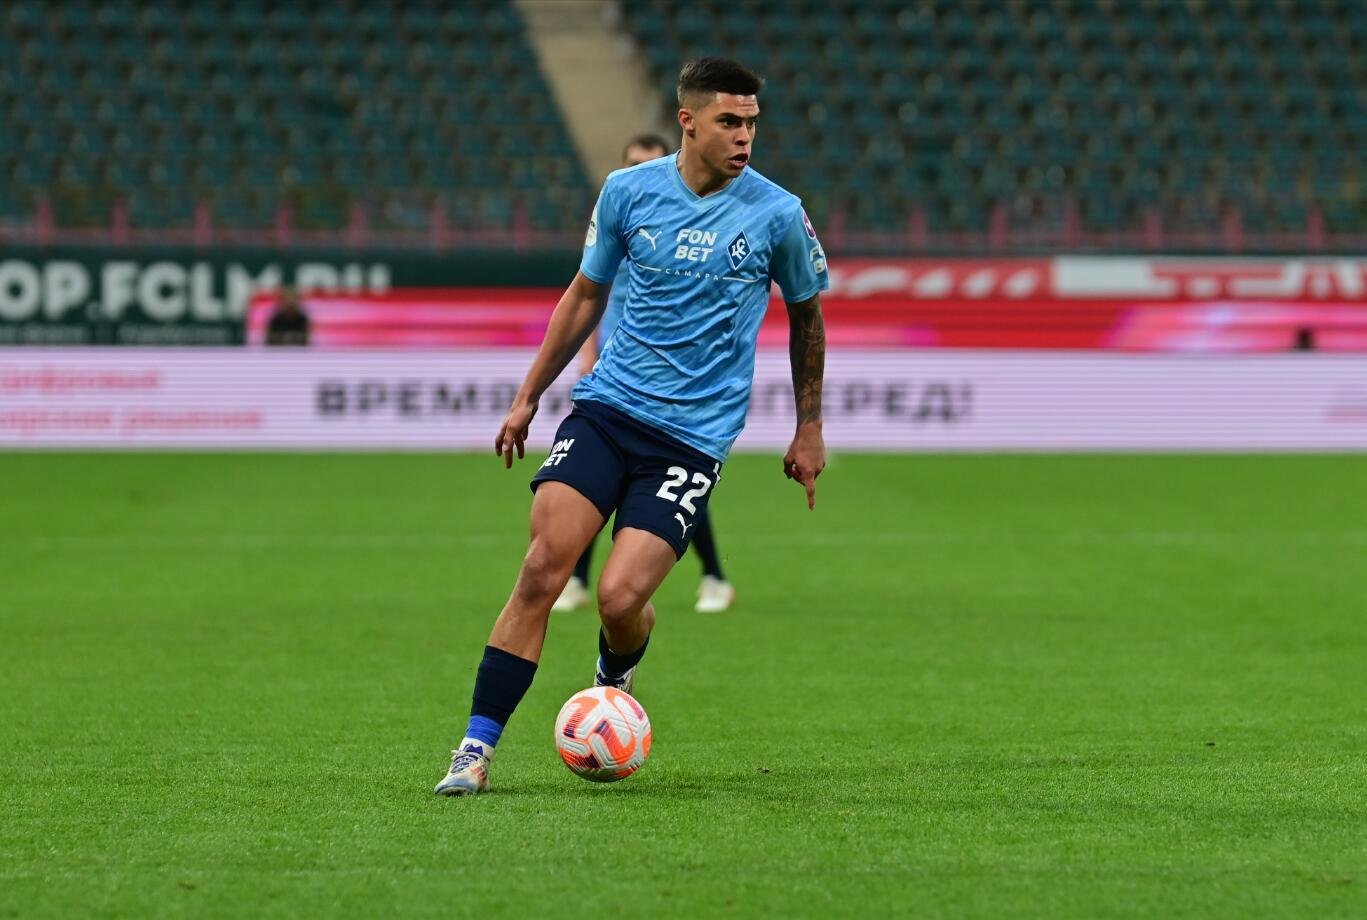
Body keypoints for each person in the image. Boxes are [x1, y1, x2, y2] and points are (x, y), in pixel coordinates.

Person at [436, 57, 828, 796]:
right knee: (540, 571)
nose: (744, 137)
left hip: (691, 438)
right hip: (608, 410)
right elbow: (585, 294)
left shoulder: (777, 212)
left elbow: (807, 317)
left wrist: (809, 426)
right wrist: (528, 396)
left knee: (620, 600)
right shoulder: (627, 192)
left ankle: (612, 678)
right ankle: (474, 750)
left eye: (750, 123)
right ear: (688, 121)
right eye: (728, 122)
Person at [552, 132, 736, 616]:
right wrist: (588, 353)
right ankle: (577, 579)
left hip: (668, 379)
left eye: (648, 163)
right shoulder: (619, 213)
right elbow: (591, 293)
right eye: (632, 163)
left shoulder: (687, 228)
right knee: (591, 477)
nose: (639, 171)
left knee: (672, 480)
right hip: (614, 371)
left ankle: (714, 575)